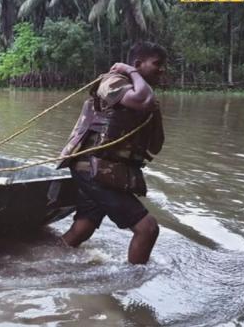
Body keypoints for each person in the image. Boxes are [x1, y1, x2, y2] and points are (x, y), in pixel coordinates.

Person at [58, 41, 166, 265]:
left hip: (108, 170)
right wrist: (129, 71)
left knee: (83, 227)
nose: (162, 69)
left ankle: (45, 259)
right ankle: (133, 287)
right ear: (138, 64)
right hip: (92, 167)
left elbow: (155, 145)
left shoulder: (147, 98)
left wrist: (152, 111)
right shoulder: (113, 81)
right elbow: (140, 100)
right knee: (147, 229)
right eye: (157, 64)